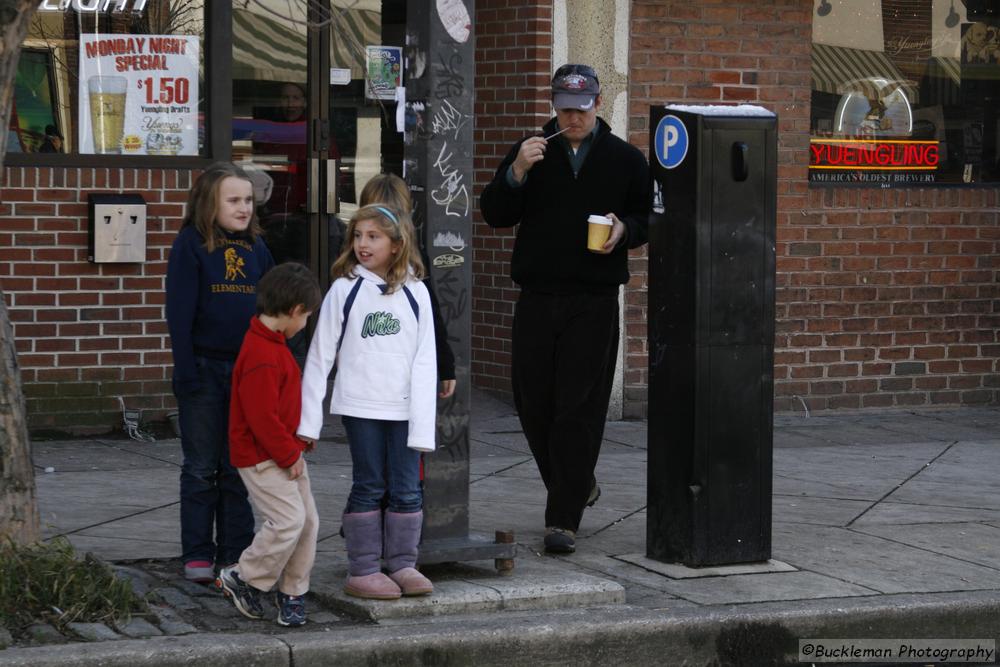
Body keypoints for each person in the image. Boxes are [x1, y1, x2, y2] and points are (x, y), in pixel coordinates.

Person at [479, 63, 650, 555]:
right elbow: (494, 214)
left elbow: (646, 216)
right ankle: (576, 483)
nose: (572, 117)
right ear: (552, 105)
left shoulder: (624, 159)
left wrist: (625, 232)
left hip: (593, 300)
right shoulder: (532, 151)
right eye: (564, 108)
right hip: (536, 296)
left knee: (579, 407)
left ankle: (563, 519)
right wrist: (515, 173)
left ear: (598, 104)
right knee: (533, 404)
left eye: (581, 108)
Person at [298, 204, 436, 600]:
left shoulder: (417, 293)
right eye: (357, 236)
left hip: (405, 410)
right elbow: (320, 354)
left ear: (396, 244)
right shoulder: (345, 289)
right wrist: (309, 423)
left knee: (408, 489)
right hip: (360, 409)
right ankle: (363, 568)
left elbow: (426, 360)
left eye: (373, 237)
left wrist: (424, 424)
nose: (362, 244)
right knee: (369, 485)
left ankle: (403, 563)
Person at [166, 162, 276, 582]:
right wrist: (185, 369)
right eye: (233, 200)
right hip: (203, 368)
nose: (243, 207)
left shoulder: (257, 248)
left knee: (237, 466)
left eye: (248, 200)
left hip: (246, 372)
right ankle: (197, 551)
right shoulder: (191, 245)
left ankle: (235, 550)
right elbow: (178, 313)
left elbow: (269, 310)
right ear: (209, 203)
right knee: (200, 466)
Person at [218, 262, 322, 627]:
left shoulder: (270, 344)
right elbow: (261, 418)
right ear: (294, 312)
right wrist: (288, 453)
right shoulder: (263, 354)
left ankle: (293, 592)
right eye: (306, 316)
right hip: (264, 458)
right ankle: (244, 576)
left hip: (282, 452)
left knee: (308, 522)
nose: (305, 323)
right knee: (289, 520)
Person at [358, 173, 456, 399]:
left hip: (405, 370)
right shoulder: (353, 266)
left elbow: (431, 313)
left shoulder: (415, 259)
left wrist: (445, 364)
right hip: (365, 376)